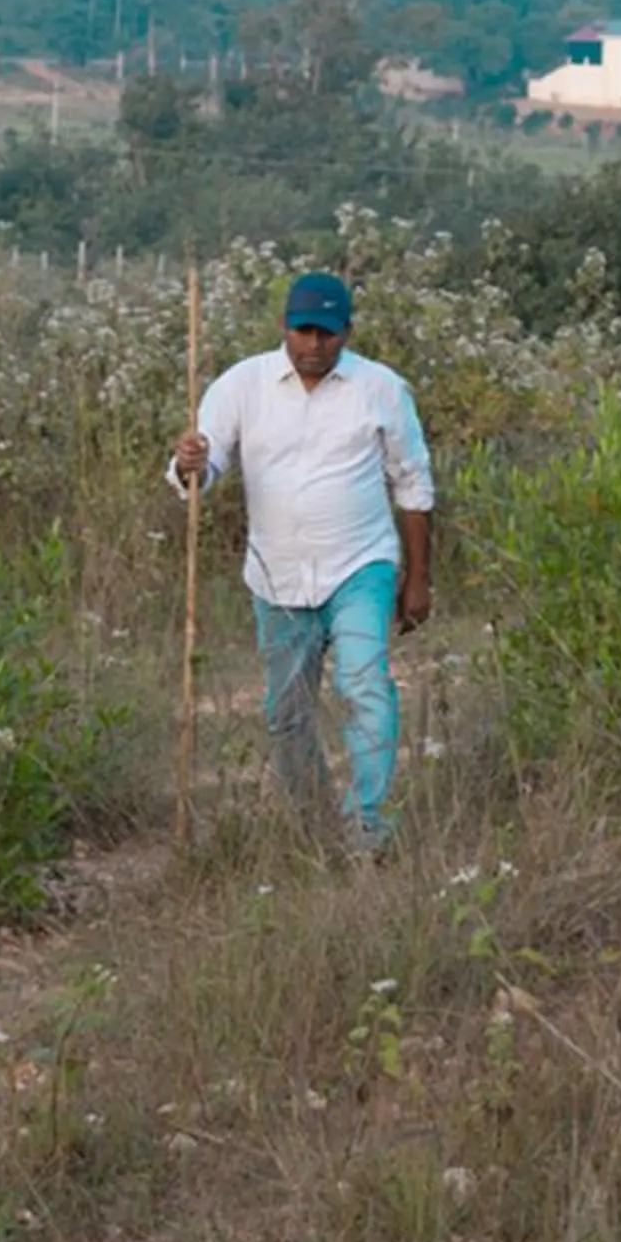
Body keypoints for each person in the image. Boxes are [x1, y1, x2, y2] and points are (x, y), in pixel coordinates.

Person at [170, 270, 434, 854]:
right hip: (277, 575)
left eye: (327, 334)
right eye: (303, 331)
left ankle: (366, 823)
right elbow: (204, 468)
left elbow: (413, 484)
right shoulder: (242, 386)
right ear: (284, 328)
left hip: (361, 564)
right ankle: (316, 827)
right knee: (285, 712)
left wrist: (418, 579)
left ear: (348, 333)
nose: (314, 345)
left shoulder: (381, 389)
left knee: (365, 684)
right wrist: (191, 462)